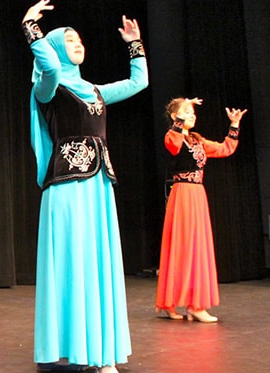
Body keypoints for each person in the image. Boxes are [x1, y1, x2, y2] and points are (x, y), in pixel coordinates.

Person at [22, 0, 149, 371]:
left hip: (98, 185)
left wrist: (134, 44)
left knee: (98, 261)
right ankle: (75, 347)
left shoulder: (94, 89)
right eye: (70, 40)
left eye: (80, 40)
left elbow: (138, 82)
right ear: (58, 48)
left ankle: (102, 352)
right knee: (73, 260)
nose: (78, 45)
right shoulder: (48, 86)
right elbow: (46, 65)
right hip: (66, 184)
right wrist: (31, 28)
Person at [155, 98, 247, 323]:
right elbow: (174, 144)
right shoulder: (172, 136)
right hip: (183, 195)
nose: (192, 114)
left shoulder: (197, 140)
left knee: (197, 247)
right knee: (182, 246)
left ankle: (195, 304)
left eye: (193, 111)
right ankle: (174, 302)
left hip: (197, 195)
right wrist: (181, 109)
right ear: (176, 117)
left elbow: (225, 148)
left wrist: (234, 125)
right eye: (187, 111)